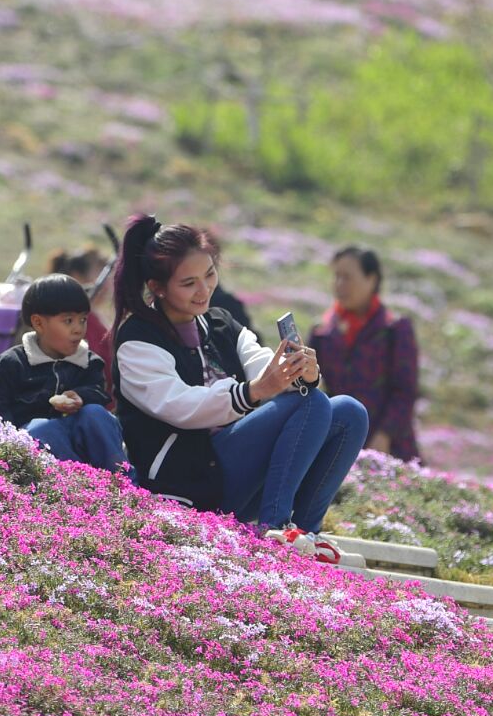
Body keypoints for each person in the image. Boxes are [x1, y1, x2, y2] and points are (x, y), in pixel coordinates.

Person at [112, 215, 367, 561]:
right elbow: (182, 407)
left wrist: (299, 373)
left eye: (209, 275)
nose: (204, 290)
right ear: (157, 287)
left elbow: (261, 364)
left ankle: (307, 531)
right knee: (310, 404)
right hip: (185, 483)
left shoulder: (220, 323)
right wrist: (254, 391)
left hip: (231, 471)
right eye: (188, 283)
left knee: (348, 411)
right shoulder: (137, 340)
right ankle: (275, 526)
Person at [0, 274, 125, 471]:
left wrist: (81, 397)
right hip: (34, 452)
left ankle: (121, 477)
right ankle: (80, 480)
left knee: (96, 414)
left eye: (83, 320)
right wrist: (10, 442)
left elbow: (98, 393)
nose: (78, 329)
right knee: (41, 428)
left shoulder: (88, 363)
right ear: (38, 323)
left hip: (78, 440)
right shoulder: (10, 364)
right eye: (69, 321)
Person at [309, 246, 421, 463]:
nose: (339, 284)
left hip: (390, 446)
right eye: (336, 276)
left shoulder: (395, 328)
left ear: (372, 280)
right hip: (338, 443)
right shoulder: (322, 331)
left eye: (347, 277)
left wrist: (385, 434)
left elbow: (405, 390)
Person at [48, 246, 115, 365]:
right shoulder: (80, 322)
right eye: (100, 274)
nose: (108, 284)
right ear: (77, 277)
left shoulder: (94, 316)